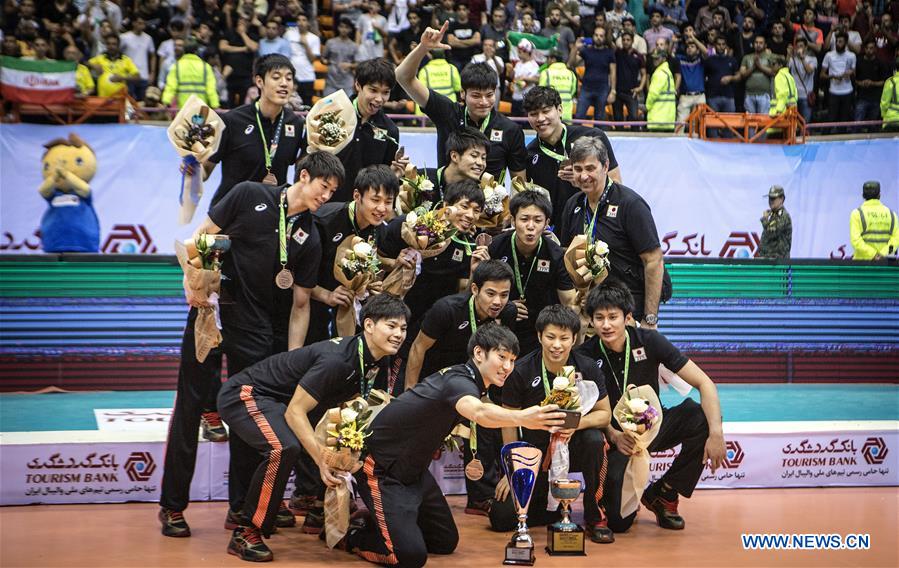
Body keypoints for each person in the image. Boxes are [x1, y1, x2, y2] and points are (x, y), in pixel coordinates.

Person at [158, 151, 345, 539]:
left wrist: (295, 359)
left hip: (256, 330)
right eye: (323, 187)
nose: (325, 196)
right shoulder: (248, 194)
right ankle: (172, 506)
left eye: (332, 192)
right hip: (211, 317)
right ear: (304, 176)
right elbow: (200, 240)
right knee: (191, 406)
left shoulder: (310, 235)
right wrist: (191, 280)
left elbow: (299, 304)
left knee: (248, 418)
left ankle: (240, 508)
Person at [346, 324, 567, 568]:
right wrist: (525, 417)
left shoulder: (470, 381)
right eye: (502, 357)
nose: (507, 367)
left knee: (444, 541)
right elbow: (480, 412)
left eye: (513, 360)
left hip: (415, 472)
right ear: (479, 354)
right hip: (382, 470)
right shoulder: (459, 382)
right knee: (409, 557)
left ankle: (379, 519)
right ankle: (353, 535)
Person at [217, 294, 410, 561]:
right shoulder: (339, 360)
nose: (398, 334)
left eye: (403, 328)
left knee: (345, 438)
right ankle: (246, 532)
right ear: (368, 325)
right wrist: (321, 459)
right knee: (284, 448)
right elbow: (296, 412)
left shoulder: (378, 360)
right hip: (247, 394)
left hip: (282, 403)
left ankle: (321, 513)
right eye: (391, 326)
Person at [578, 282, 725, 533]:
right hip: (616, 440)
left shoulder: (649, 341)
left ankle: (664, 493)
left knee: (700, 418)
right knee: (618, 523)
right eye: (599, 318)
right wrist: (612, 435)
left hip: (652, 428)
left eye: (613, 317)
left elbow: (704, 382)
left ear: (628, 317)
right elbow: (584, 410)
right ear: (591, 321)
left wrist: (717, 433)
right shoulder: (586, 354)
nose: (606, 325)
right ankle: (606, 498)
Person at [490, 305, 614, 543]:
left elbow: (604, 415)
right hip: (534, 456)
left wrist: (576, 424)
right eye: (550, 337)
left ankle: (594, 514)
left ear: (574, 339)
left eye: (564, 338)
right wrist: (512, 470)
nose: (557, 345)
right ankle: (547, 508)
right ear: (539, 336)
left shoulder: (587, 368)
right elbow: (509, 421)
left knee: (595, 439)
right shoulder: (522, 370)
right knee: (501, 518)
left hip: (572, 448)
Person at [404, 261, 517, 516]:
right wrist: (410, 389)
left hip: (475, 382)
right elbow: (418, 348)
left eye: (504, 294)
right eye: (491, 293)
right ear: (475, 289)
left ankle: (480, 497)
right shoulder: (447, 309)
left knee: (488, 419)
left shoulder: (506, 314)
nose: (498, 301)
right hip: (439, 379)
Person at [557, 136, 669, 325]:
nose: (583, 176)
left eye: (590, 168)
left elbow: (653, 260)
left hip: (630, 308)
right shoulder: (573, 205)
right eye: (578, 169)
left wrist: (649, 319)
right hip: (593, 307)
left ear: (606, 166)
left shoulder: (630, 204)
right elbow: (568, 254)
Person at [397, 22, 528, 182]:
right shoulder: (447, 112)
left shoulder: (510, 130)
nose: (484, 102)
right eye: (476, 96)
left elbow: (519, 184)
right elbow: (403, 77)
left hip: (489, 206)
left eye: (489, 95)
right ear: (462, 94)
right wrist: (423, 48)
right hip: (447, 204)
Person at [308, 165, 398, 345]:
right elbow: (294, 271)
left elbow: (370, 263)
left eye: (388, 202)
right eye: (375, 200)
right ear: (357, 196)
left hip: (343, 312)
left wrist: (371, 284)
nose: (382, 208)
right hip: (309, 308)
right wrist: (326, 295)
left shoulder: (379, 228)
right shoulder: (325, 220)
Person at [379, 179, 487, 328]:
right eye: (464, 206)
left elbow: (461, 292)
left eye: (476, 210)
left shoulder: (469, 247)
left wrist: (475, 272)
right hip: (387, 310)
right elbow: (375, 262)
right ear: (445, 205)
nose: (470, 215)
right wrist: (394, 263)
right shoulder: (410, 226)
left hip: (427, 324)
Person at [201, 54, 304, 207]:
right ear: (259, 81)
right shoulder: (232, 120)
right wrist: (192, 170)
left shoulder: (295, 124)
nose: (284, 83)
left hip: (271, 215)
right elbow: (205, 171)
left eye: (289, 79)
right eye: (276, 77)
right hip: (230, 214)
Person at [302, 58, 403, 204]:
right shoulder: (331, 113)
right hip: (322, 203)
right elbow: (308, 158)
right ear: (358, 85)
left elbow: (385, 180)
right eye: (373, 90)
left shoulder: (390, 130)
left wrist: (394, 173)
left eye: (385, 92)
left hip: (361, 211)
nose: (379, 99)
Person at [488, 191, 577, 354]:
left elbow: (569, 303)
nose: (531, 226)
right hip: (501, 327)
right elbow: (480, 295)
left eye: (537, 220)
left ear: (546, 223)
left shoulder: (556, 255)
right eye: (524, 219)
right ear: (513, 220)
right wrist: (504, 306)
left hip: (541, 333)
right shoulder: (496, 247)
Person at [523, 86, 621, 229]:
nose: (540, 119)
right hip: (555, 235)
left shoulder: (593, 137)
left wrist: (582, 180)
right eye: (533, 114)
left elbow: (617, 184)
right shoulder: (529, 154)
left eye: (545, 111)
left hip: (595, 226)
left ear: (560, 110)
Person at [419, 127, 489, 199]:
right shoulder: (421, 179)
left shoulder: (481, 193)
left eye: (483, 158)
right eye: (474, 155)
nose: (480, 163)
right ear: (454, 156)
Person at [570, 27, 617, 121]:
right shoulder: (586, 51)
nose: (598, 37)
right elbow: (571, 63)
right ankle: (578, 136)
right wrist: (575, 47)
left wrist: (613, 91)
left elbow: (613, 73)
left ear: (604, 38)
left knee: (599, 119)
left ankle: (598, 136)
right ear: (592, 36)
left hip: (602, 89)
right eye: (596, 35)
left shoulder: (609, 53)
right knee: (579, 116)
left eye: (601, 36)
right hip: (586, 88)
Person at [161, 39, 219, 108]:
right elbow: (211, 88)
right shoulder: (205, 67)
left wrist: (166, 101)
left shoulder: (177, 66)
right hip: (200, 110)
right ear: (197, 51)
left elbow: (170, 87)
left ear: (184, 51)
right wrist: (215, 104)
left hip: (183, 109)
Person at [849, 181, 899, 260]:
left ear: (863, 195)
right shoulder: (892, 214)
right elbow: (896, 240)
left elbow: (856, 241)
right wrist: (883, 253)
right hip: (885, 266)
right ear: (879, 195)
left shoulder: (857, 214)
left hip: (862, 266)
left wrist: (874, 255)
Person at [821, 32, 857, 130]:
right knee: (831, 118)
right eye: (836, 41)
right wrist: (832, 76)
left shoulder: (852, 56)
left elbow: (854, 73)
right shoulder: (829, 55)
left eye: (840, 41)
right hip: (833, 91)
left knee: (844, 120)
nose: (838, 43)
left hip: (847, 91)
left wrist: (849, 73)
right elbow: (822, 75)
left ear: (845, 43)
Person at [284, 13, 319, 106]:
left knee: (307, 105)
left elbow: (312, 59)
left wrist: (306, 44)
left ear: (308, 23)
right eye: (299, 20)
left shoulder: (314, 38)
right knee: (288, 103)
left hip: (307, 76)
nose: (301, 22)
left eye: (304, 20)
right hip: (291, 76)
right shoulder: (289, 34)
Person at [119, 15, 155, 100]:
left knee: (142, 101)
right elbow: (119, 54)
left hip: (144, 75)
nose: (142, 25)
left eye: (143, 23)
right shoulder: (124, 37)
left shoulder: (148, 38)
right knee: (129, 101)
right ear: (134, 23)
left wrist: (152, 73)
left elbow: (153, 55)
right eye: (139, 23)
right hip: (129, 75)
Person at [614, 32, 646, 125]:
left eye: (628, 40)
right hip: (618, 91)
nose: (625, 42)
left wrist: (640, 88)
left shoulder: (638, 56)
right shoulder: (617, 53)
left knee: (634, 118)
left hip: (632, 92)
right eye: (623, 40)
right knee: (617, 119)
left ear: (632, 41)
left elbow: (644, 74)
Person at [855, 40, 889, 127]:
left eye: (871, 48)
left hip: (875, 98)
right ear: (864, 49)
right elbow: (854, 79)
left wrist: (872, 83)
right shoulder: (859, 62)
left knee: (873, 126)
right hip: (862, 97)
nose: (869, 50)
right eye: (867, 48)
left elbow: (884, 81)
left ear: (875, 49)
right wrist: (861, 83)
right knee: (858, 124)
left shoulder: (880, 63)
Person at [538, 49, 578, 121]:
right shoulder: (571, 74)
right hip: (566, 114)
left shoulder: (546, 73)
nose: (547, 61)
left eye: (548, 58)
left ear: (553, 59)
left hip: (550, 114)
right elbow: (572, 92)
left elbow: (541, 92)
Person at [676, 32, 707, 123]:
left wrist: (694, 39)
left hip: (699, 96)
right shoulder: (681, 59)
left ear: (698, 50)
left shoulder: (700, 59)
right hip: (685, 96)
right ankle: (678, 138)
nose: (689, 48)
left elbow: (706, 52)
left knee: (697, 126)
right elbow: (669, 55)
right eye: (688, 47)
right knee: (680, 123)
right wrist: (673, 42)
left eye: (692, 46)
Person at [740, 35, 775, 116]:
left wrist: (760, 66)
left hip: (764, 95)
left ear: (765, 45)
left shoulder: (770, 57)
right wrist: (753, 67)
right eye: (756, 42)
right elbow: (742, 74)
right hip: (749, 95)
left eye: (761, 43)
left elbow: (774, 72)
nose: (758, 44)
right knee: (750, 123)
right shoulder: (747, 57)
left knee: (763, 122)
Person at [322, 18, 358, 96]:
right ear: (338, 28)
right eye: (341, 27)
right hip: (331, 81)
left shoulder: (354, 46)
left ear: (350, 30)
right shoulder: (330, 42)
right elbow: (323, 58)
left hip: (347, 82)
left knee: (346, 107)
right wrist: (326, 61)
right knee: (327, 106)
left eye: (346, 27)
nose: (344, 29)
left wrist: (350, 65)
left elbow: (358, 64)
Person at [645, 48, 677, 131]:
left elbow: (653, 93)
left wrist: (647, 106)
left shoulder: (659, 73)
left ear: (664, 58)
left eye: (657, 58)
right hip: (667, 119)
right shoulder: (667, 72)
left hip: (658, 119)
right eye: (654, 58)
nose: (654, 60)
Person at [788, 38, 818, 124]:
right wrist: (789, 55)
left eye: (801, 46)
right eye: (797, 46)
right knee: (793, 122)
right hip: (794, 96)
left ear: (806, 47)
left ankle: (805, 136)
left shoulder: (812, 59)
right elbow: (785, 69)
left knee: (805, 122)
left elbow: (809, 71)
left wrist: (802, 59)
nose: (799, 48)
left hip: (806, 95)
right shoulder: (792, 60)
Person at [758, 185, 793, 259]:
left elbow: (773, 234)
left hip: (778, 263)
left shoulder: (784, 216)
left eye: (773, 198)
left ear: (782, 199)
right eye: (770, 198)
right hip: (768, 261)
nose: (770, 201)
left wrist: (765, 220)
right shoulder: (772, 215)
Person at [510, 38, 541, 117]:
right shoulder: (518, 64)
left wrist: (524, 78)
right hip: (515, 97)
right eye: (519, 51)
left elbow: (537, 79)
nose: (519, 53)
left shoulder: (533, 65)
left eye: (521, 51)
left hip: (526, 99)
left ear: (527, 51)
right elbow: (513, 77)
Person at [446, 2, 481, 70]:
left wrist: (458, 41)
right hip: (456, 57)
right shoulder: (452, 25)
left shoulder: (473, 24)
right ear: (457, 12)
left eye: (464, 9)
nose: (461, 12)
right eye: (459, 10)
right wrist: (470, 42)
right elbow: (451, 42)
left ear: (468, 11)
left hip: (471, 57)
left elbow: (477, 41)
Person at [881, 62, 899, 131]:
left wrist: (883, 115)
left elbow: (884, 103)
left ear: (895, 70)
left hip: (892, 120)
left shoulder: (890, 81)